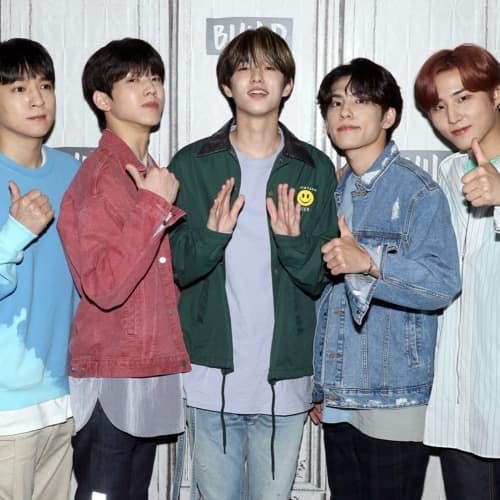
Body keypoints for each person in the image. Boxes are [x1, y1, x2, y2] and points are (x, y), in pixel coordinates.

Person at [168, 26, 338, 500]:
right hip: (210, 378)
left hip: (286, 379)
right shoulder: (193, 164)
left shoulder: (314, 168)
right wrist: (211, 238)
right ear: (227, 85)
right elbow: (175, 268)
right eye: (244, 68)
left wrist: (293, 244)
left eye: (269, 67)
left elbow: (320, 278)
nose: (257, 77)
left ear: (288, 84)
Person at [312, 57, 461, 500]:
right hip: (338, 395)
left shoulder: (417, 191)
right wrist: (320, 383)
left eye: (360, 101)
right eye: (335, 102)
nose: (345, 111)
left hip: (394, 393)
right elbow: (325, 298)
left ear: (389, 116)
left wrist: (371, 262)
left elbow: (442, 283)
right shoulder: (331, 190)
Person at [57, 38, 190, 500]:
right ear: (103, 99)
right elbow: (104, 285)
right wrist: (153, 204)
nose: (151, 88)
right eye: (133, 80)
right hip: (110, 371)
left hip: (145, 366)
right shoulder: (99, 177)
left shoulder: (148, 172)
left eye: (155, 77)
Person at [414, 44, 500, 500]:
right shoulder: (445, 174)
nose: (452, 116)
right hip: (459, 399)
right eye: (438, 106)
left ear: (497, 94)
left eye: (463, 98)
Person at [0, 38, 79, 500]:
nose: (37, 99)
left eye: (45, 85)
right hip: (5, 410)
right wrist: (14, 233)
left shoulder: (71, 172)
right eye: (18, 88)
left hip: (62, 400)